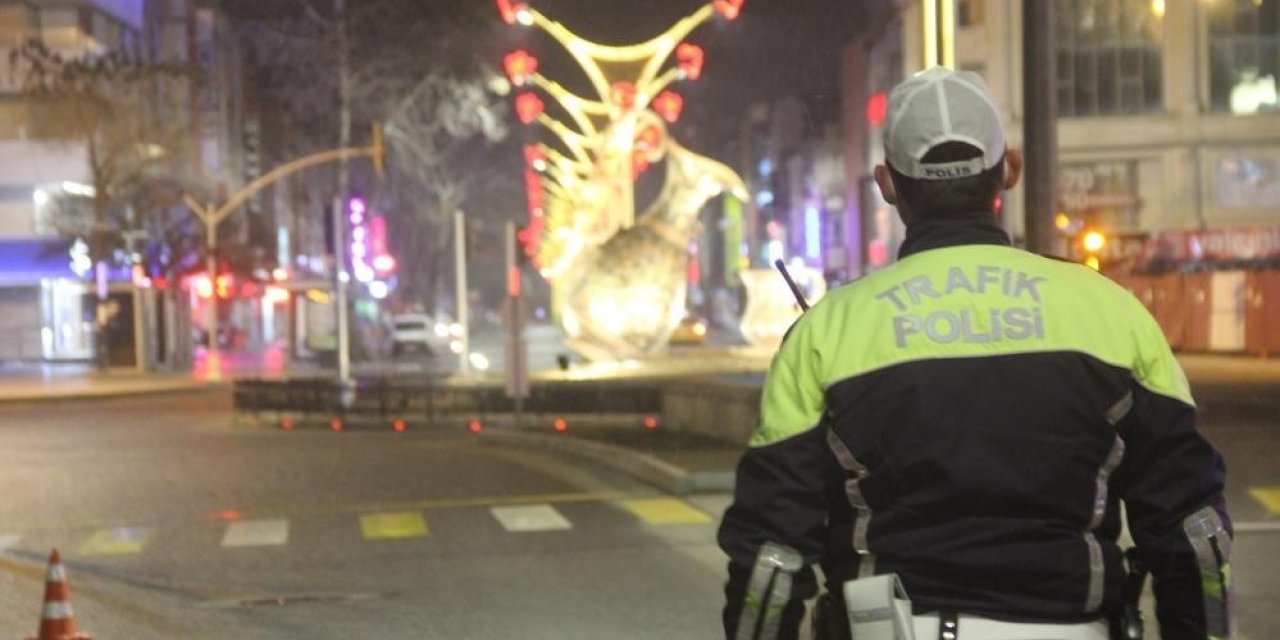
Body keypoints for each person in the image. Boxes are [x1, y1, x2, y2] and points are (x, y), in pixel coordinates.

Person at [718, 67, 1233, 640]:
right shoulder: (1113, 314)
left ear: (887, 184)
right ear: (1008, 170)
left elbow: (771, 557)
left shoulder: (826, 333)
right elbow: (1194, 533)